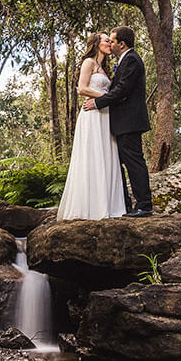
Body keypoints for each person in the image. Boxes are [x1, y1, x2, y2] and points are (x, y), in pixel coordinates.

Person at [56, 33, 128, 220]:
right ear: (97, 44)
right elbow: (81, 89)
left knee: (107, 155)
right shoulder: (88, 62)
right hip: (92, 114)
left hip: (105, 115)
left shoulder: (104, 68)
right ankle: (89, 207)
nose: (110, 44)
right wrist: (103, 98)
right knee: (93, 155)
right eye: (106, 41)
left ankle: (109, 205)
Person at [84, 26, 152, 216]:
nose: (110, 44)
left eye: (112, 41)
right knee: (119, 162)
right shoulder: (124, 61)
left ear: (121, 44)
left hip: (129, 122)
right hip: (121, 122)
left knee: (133, 162)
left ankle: (144, 206)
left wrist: (98, 102)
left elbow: (122, 90)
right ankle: (124, 204)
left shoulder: (131, 60)